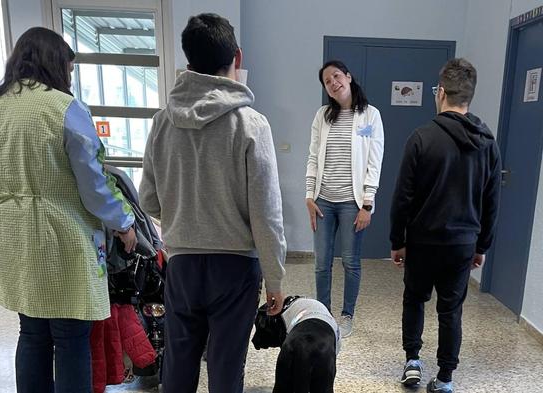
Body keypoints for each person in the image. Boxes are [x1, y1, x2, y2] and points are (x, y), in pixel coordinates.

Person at [0, 27, 137, 393]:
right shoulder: (65, 110)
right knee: (70, 338)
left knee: (32, 332)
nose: (70, 76)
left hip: (9, 236)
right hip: (60, 238)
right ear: (56, 65)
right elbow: (95, 183)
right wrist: (124, 222)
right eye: (69, 68)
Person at [138, 13, 287, 393]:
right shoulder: (251, 124)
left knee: (178, 364)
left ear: (188, 63)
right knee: (225, 368)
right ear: (237, 56)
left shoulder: (162, 123)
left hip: (182, 264)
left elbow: (148, 200)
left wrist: (186, 215)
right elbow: (266, 212)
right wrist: (275, 278)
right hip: (235, 268)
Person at [390, 58, 501, 393]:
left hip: (423, 241)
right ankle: (446, 379)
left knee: (414, 299)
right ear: (469, 96)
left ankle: (412, 362)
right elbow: (491, 200)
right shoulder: (488, 143)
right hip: (462, 244)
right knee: (451, 310)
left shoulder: (421, 138)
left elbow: (402, 197)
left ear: (440, 93)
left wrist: (398, 240)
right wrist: (482, 245)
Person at [305, 60, 384, 338]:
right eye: (327, 81)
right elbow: (313, 157)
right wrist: (309, 195)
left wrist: (367, 204)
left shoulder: (370, 115)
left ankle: (347, 313)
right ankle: (323, 314)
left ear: (348, 77)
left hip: (353, 204)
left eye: (336, 76)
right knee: (321, 262)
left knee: (350, 261)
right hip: (323, 201)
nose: (333, 83)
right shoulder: (322, 115)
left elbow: (374, 162)